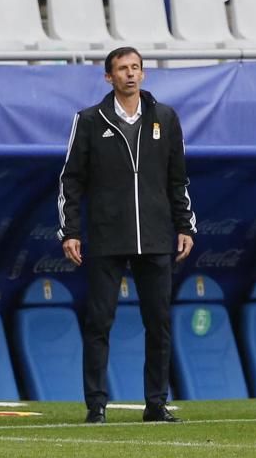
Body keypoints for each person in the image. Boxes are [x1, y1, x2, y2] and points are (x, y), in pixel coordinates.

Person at [58, 46, 197, 424]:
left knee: (159, 323)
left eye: (136, 67)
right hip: (106, 237)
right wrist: (70, 230)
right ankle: (97, 405)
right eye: (122, 69)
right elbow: (70, 180)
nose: (130, 74)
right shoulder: (89, 120)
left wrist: (185, 225)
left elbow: (177, 179)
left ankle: (156, 403)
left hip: (155, 237)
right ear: (109, 77)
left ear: (144, 73)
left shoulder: (165, 118)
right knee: (99, 322)